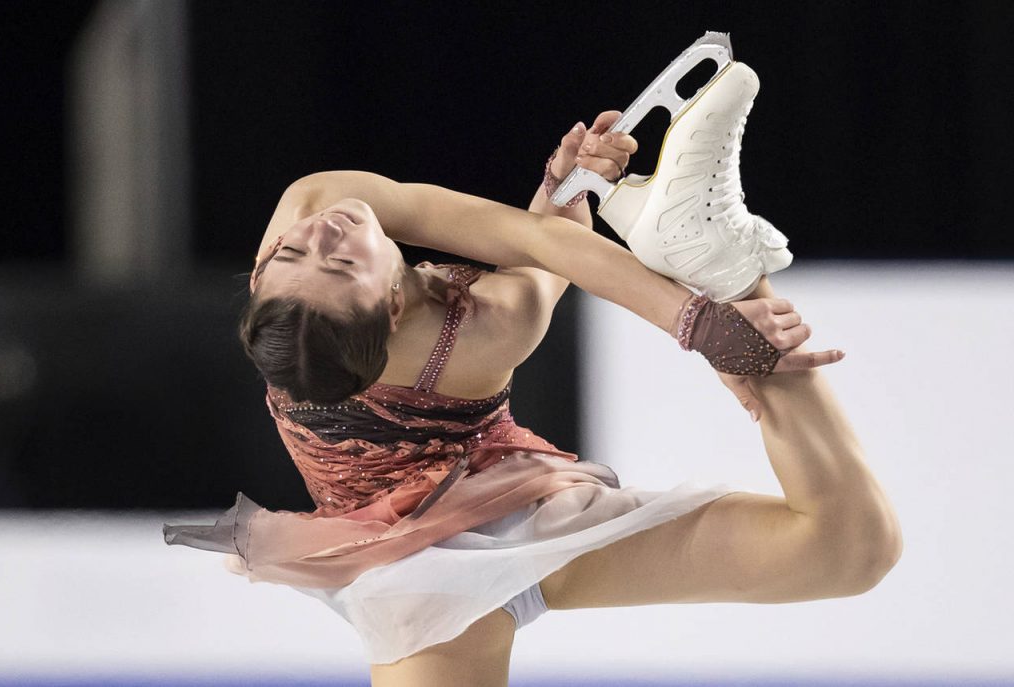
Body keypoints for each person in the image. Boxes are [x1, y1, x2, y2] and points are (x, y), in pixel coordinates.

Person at [163, 110, 902, 687]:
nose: (324, 232)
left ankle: (731, 278)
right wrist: (701, 325)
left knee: (850, 549)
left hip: (499, 522)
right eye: (339, 262)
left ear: (261, 279)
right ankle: (738, 295)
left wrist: (566, 190)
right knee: (851, 553)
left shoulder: (309, 213)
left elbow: (535, 237)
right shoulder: (484, 330)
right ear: (388, 307)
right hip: (417, 573)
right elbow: (546, 250)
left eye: (293, 252)